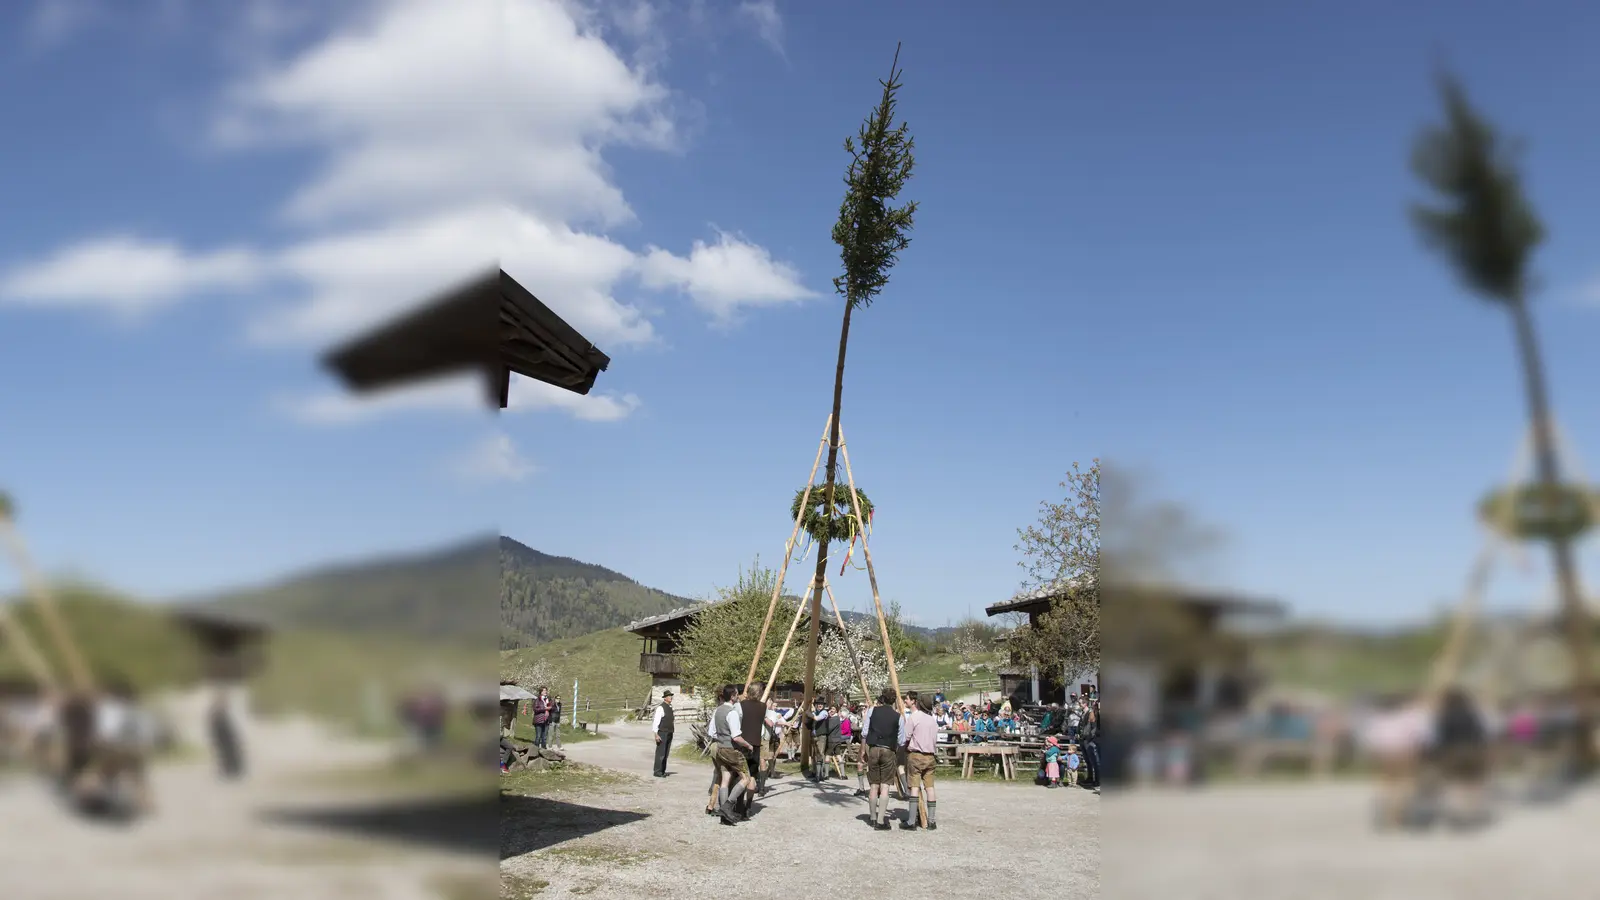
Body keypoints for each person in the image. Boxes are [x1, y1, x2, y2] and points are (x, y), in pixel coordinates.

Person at [706, 685, 755, 824]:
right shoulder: (731, 712)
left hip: (720, 748)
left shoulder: (718, 710)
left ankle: (723, 814)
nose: (738, 696)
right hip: (731, 750)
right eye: (737, 694)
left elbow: (713, 732)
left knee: (725, 780)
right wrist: (748, 745)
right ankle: (728, 805)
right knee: (746, 778)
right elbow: (736, 737)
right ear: (733, 696)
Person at [899, 691, 940, 830]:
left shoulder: (914, 718)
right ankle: (932, 821)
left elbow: (906, 737)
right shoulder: (933, 721)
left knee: (914, 787)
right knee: (930, 788)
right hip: (930, 756)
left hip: (916, 755)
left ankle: (911, 821)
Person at [862, 688, 900, 830]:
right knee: (885, 786)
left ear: (882, 698)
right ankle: (880, 820)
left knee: (873, 785)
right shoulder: (898, 716)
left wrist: (863, 750)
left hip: (873, 748)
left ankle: (872, 817)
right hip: (888, 749)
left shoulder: (872, 711)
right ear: (894, 700)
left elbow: (865, 732)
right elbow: (902, 739)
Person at [737, 682, 769, 816]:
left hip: (743, 743)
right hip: (756, 744)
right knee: (752, 777)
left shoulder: (741, 705)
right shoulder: (763, 706)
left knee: (741, 776)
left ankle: (739, 804)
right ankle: (748, 806)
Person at [650, 690, 675, 777]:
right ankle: (657, 771)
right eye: (669, 696)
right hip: (662, 733)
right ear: (665, 698)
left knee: (666, 753)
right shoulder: (661, 708)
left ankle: (662, 770)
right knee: (661, 753)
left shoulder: (670, 707)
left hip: (669, 732)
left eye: (671, 696)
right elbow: (656, 722)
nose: (670, 697)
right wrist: (656, 734)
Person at [810, 699, 832, 782]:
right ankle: (817, 773)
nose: (820, 705)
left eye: (821, 704)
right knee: (815, 754)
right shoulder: (815, 712)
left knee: (820, 753)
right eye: (818, 704)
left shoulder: (824, 712)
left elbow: (818, 719)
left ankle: (820, 775)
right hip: (815, 736)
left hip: (822, 736)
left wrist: (810, 713)